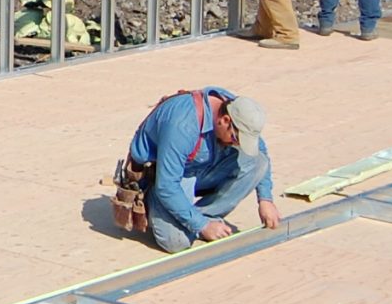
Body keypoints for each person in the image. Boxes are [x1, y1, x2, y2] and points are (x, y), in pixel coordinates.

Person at [114, 88, 283, 252]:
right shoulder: (182, 125)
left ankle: (202, 216)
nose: (236, 143)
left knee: (258, 162)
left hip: (198, 167)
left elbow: (260, 150)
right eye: (235, 138)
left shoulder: (235, 108)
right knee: (177, 242)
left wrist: (265, 199)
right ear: (225, 120)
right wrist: (202, 226)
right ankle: (159, 205)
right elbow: (167, 186)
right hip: (165, 178)